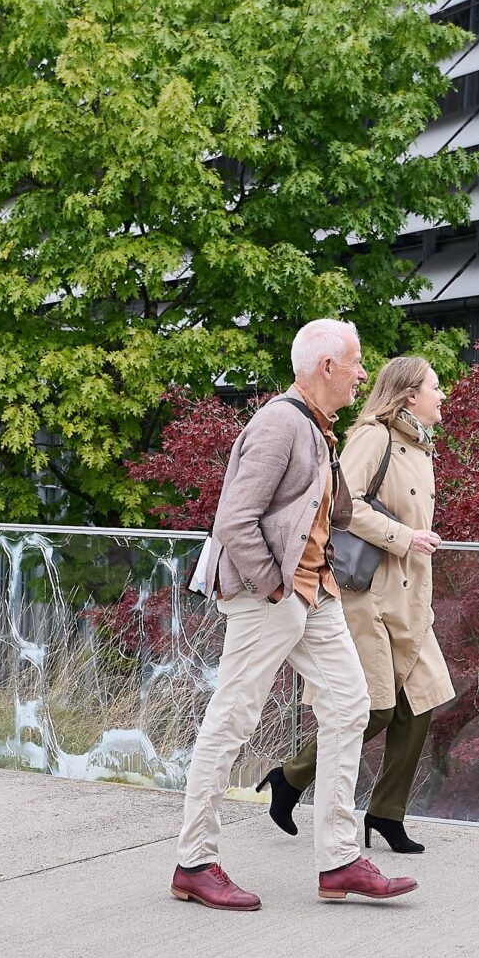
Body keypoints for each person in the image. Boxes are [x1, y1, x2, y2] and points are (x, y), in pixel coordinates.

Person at [171, 319, 419, 910]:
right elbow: (234, 519)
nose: (364, 374)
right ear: (325, 367)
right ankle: (194, 862)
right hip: (276, 595)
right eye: (356, 363)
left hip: (316, 593)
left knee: (351, 707)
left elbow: (334, 511)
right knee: (232, 719)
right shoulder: (280, 423)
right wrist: (274, 587)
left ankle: (338, 862)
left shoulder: (320, 428)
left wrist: (398, 537)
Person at [260, 356, 455, 852]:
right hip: (370, 595)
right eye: (435, 387)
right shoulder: (374, 436)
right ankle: (291, 777)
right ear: (410, 395)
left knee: (421, 704)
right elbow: (342, 504)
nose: (443, 394)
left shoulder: (420, 445)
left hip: (410, 599)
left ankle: (387, 813)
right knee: (375, 710)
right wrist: (404, 536)